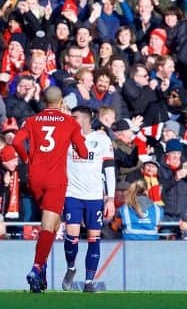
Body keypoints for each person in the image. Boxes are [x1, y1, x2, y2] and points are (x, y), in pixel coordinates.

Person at [12, 86, 88, 293]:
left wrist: (27, 158)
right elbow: (82, 152)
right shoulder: (70, 122)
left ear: (44, 100)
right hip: (56, 179)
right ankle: (36, 268)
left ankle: (42, 270)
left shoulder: (32, 120)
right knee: (48, 224)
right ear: (61, 100)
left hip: (35, 178)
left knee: (53, 224)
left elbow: (16, 141)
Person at [61, 106, 115, 293]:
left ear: (85, 119)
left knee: (94, 238)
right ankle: (71, 267)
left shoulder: (101, 139)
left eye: (74, 117)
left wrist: (110, 199)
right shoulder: (66, 137)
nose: (70, 120)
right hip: (72, 194)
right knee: (71, 235)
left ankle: (89, 282)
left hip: (94, 197)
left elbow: (109, 170)